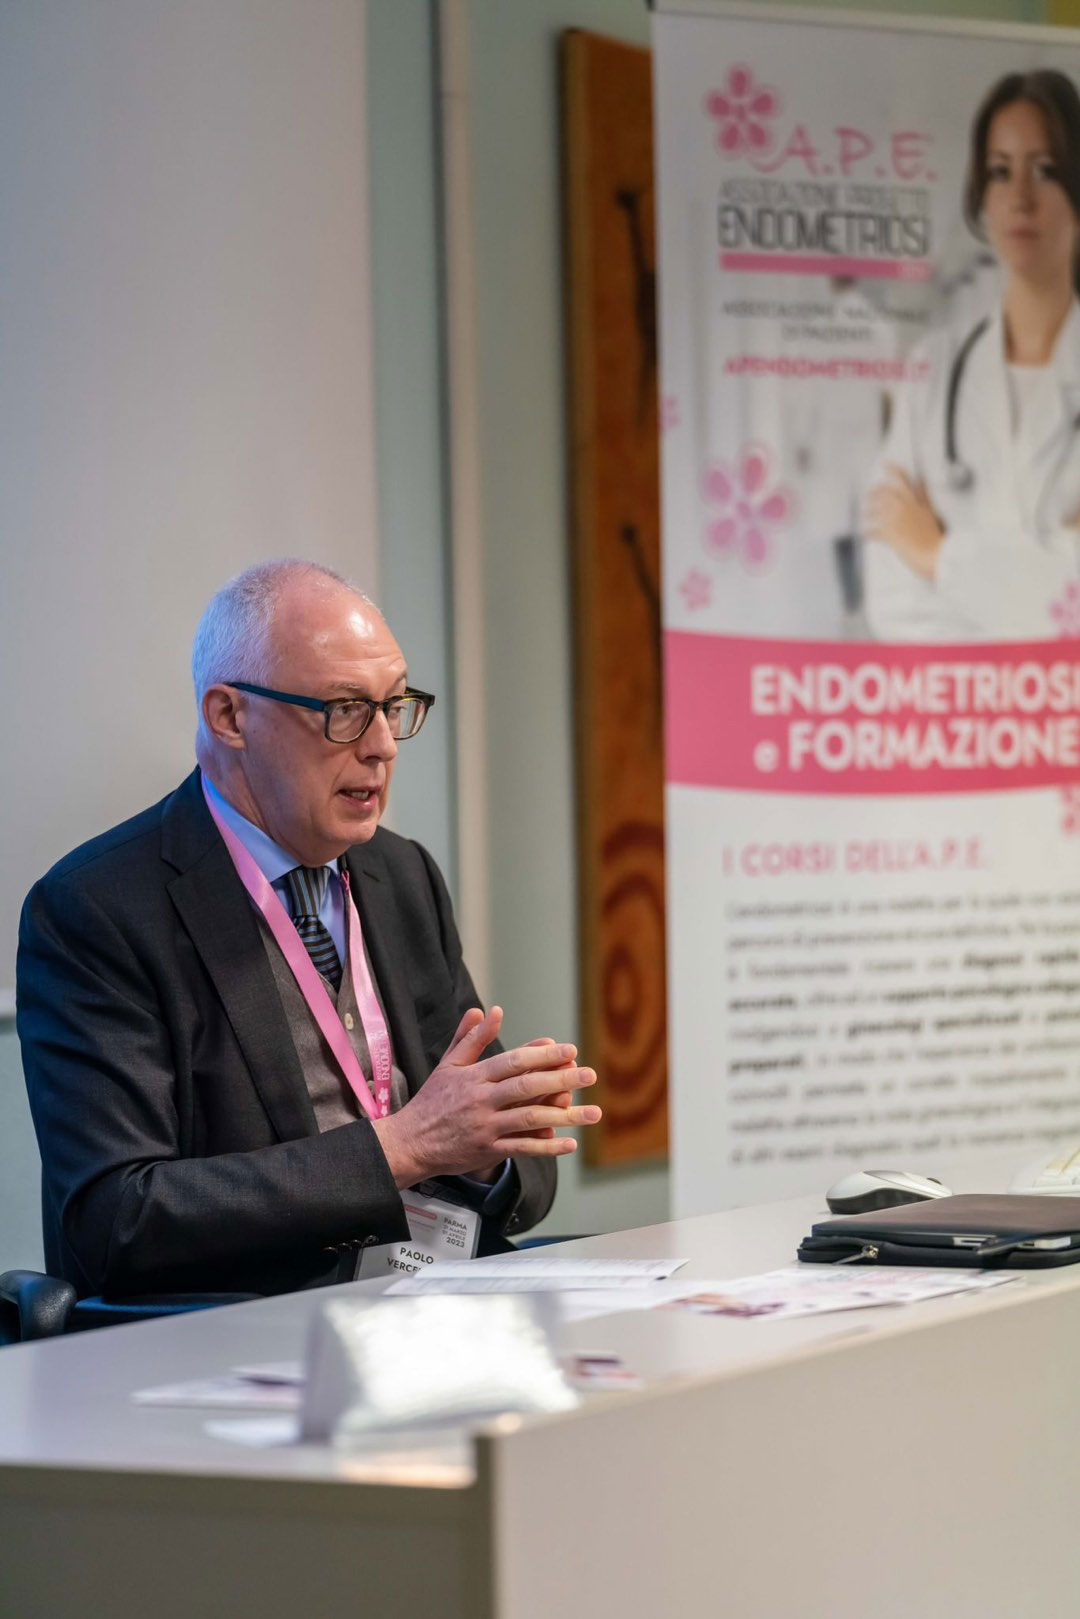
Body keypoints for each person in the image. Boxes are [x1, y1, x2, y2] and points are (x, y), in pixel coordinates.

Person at [16, 561, 600, 1298]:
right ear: (230, 717)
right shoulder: (97, 910)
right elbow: (114, 1220)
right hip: (242, 1328)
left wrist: (486, 1144)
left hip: (432, 1306)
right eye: (346, 709)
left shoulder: (401, 874)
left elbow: (510, 1172)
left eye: (394, 706)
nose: (383, 745)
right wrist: (401, 1148)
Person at [863, 69, 1080, 641]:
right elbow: (891, 597)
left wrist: (936, 554)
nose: (1020, 197)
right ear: (981, 196)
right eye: (1000, 172)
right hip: (958, 698)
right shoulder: (932, 373)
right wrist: (1045, 570)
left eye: (1046, 171)